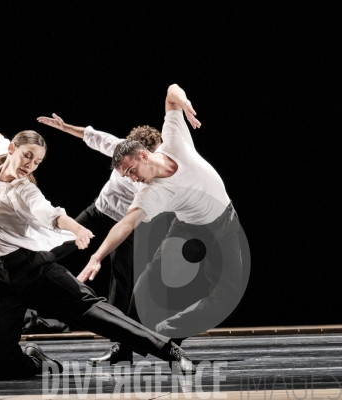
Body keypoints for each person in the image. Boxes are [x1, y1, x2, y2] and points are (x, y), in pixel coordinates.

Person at [0, 129, 196, 379]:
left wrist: (77, 228)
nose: (30, 165)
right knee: (3, 368)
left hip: (29, 269)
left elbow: (49, 213)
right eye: (27, 156)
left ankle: (169, 350)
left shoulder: (24, 189)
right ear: (12, 149)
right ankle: (37, 360)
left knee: (94, 313)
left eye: (37, 162)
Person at [78, 84, 246, 362]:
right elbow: (124, 225)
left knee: (227, 297)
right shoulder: (150, 191)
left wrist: (186, 104)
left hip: (224, 227)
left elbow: (171, 91)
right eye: (126, 176)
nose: (132, 179)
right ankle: (125, 346)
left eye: (132, 171)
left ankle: (166, 337)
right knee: (145, 285)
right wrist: (97, 256)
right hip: (188, 229)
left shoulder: (174, 139)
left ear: (143, 155)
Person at [35, 114, 166, 366]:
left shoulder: (155, 179)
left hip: (127, 225)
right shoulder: (121, 149)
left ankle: (122, 347)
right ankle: (22, 281)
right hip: (98, 212)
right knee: (53, 248)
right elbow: (91, 136)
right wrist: (64, 127)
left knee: (122, 282)